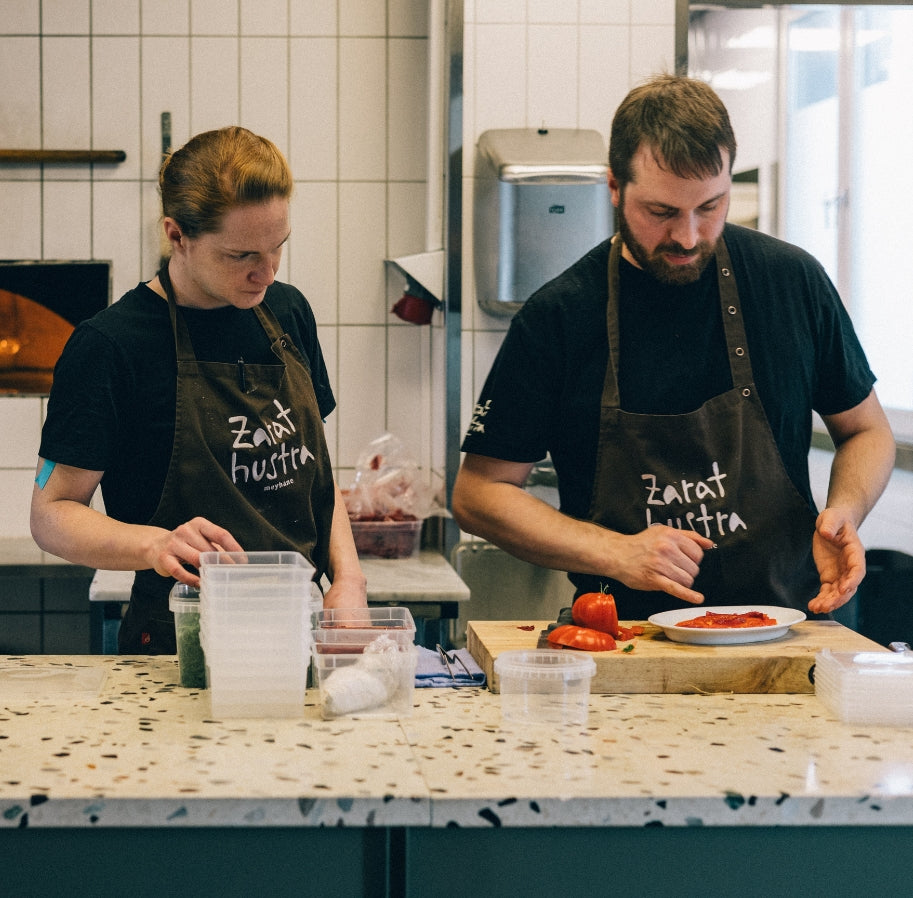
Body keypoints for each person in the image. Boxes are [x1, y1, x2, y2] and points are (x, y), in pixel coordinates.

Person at [452, 74, 896, 622]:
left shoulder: (792, 283)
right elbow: (479, 494)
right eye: (662, 212)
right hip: (622, 641)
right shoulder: (560, 315)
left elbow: (867, 431)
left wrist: (845, 512)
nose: (688, 236)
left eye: (710, 206)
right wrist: (615, 551)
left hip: (792, 628)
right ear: (614, 187)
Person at [31, 126, 367, 653]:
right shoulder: (111, 345)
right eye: (241, 256)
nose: (266, 273)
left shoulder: (287, 312)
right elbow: (51, 515)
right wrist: (155, 543)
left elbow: (315, 469)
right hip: (178, 637)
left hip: (295, 629)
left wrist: (348, 580)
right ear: (177, 235)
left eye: (277, 247)